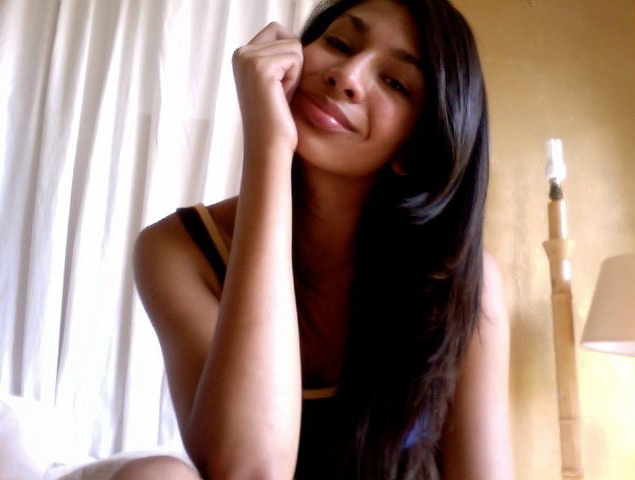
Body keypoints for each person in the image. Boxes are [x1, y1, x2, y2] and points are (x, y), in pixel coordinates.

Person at [115, 0, 513, 478]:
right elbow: (249, 470)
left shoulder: (463, 281)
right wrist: (268, 147)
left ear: (415, 148)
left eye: (395, 82)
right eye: (339, 43)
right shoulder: (179, 250)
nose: (347, 76)